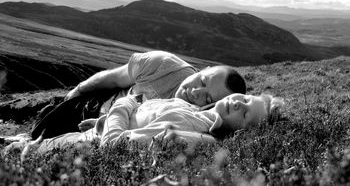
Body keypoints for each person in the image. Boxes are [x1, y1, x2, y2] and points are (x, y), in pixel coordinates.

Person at [32, 93, 284, 153]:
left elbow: (114, 144)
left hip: (80, 145)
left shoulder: (192, 128)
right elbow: (142, 119)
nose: (240, 104)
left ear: (241, 131)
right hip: (94, 129)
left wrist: (123, 105)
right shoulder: (192, 109)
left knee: (14, 152)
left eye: (246, 114)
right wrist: (101, 120)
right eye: (247, 99)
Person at [66, 50, 247, 109]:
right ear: (203, 69)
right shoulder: (161, 64)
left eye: (207, 99)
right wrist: (78, 91)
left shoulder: (196, 123)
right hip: (92, 106)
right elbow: (112, 78)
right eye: (203, 81)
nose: (195, 92)